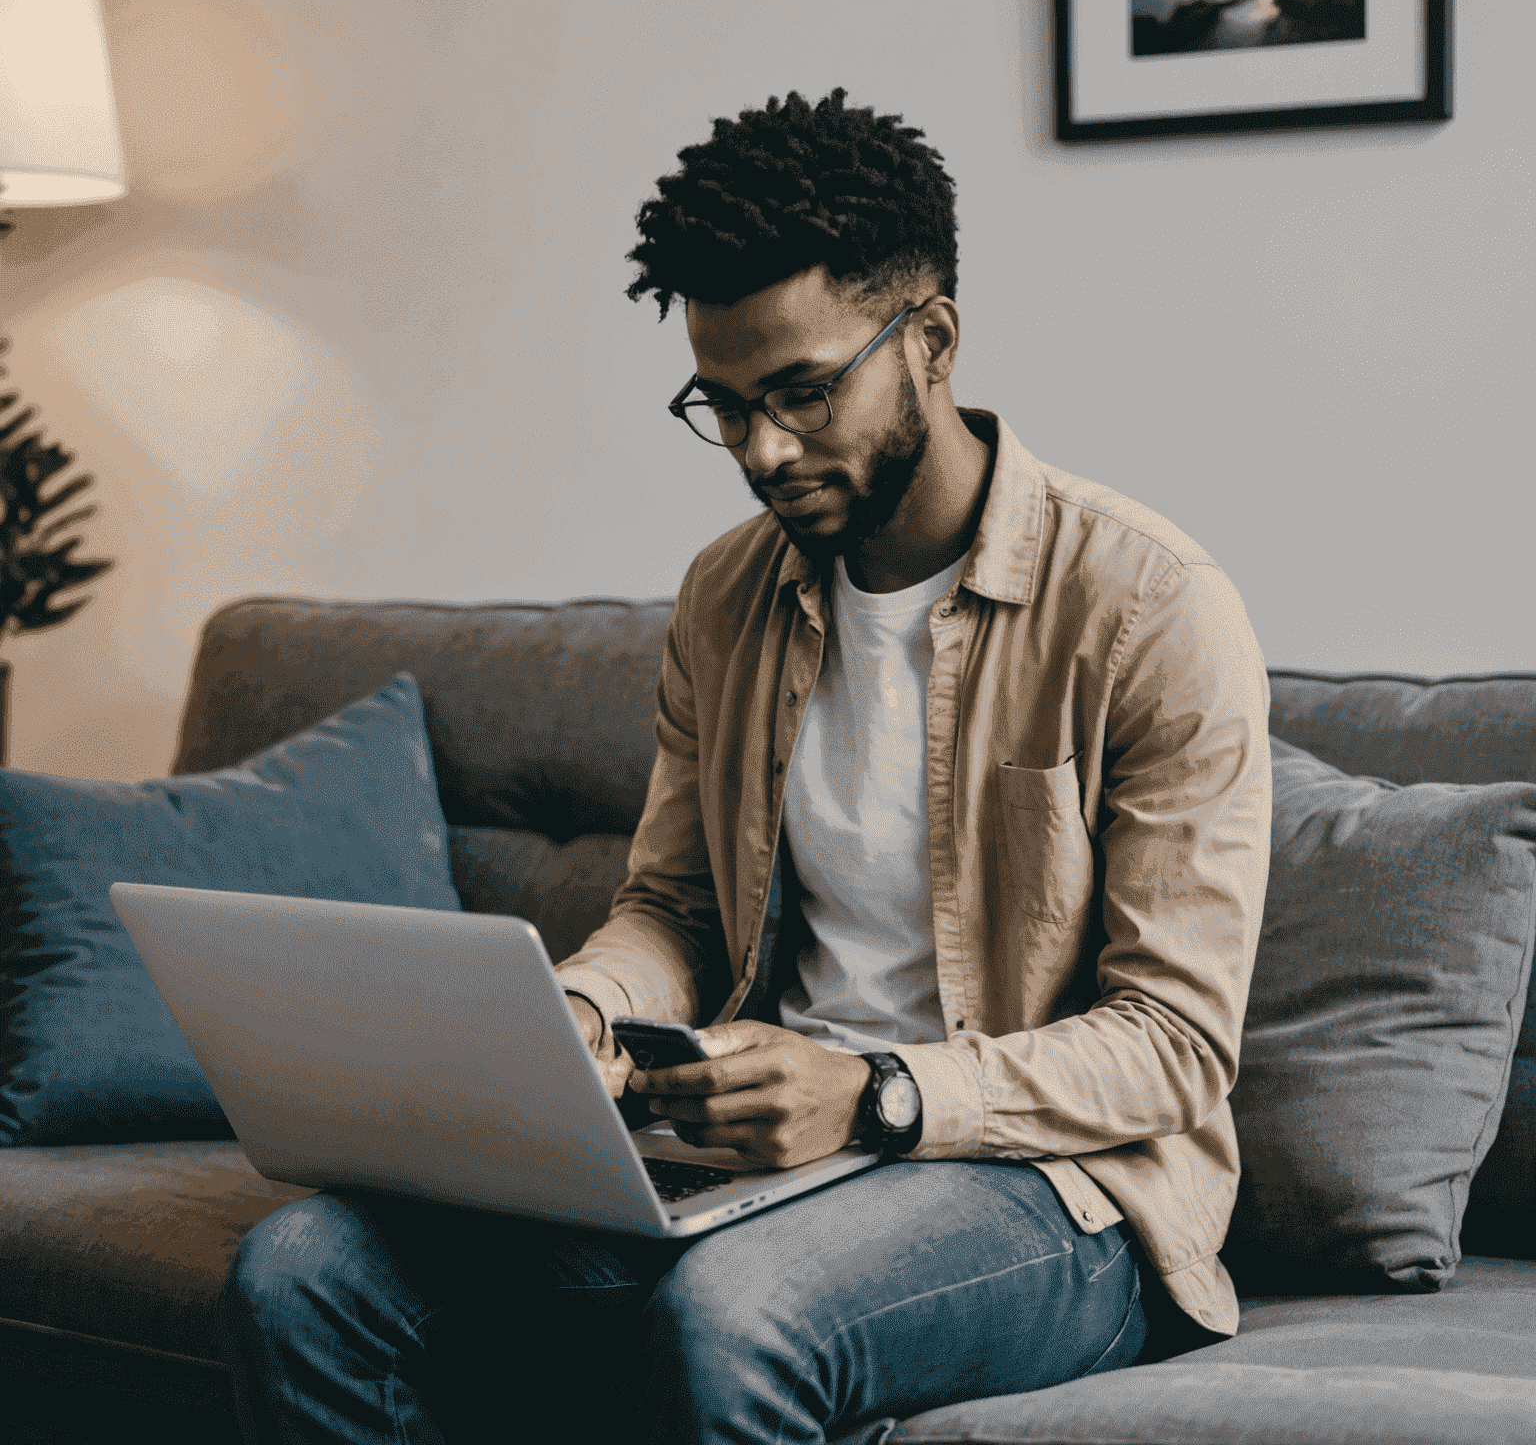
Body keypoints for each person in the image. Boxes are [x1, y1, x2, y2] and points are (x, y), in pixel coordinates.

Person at [220, 88, 1272, 1445]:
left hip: (1062, 1192)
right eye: (721, 406)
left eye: (803, 393)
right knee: (306, 1275)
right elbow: (675, 909)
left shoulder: (1148, 607)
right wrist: (583, 1016)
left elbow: (1175, 1046)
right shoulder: (728, 597)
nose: (763, 451)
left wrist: (880, 1095)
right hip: (757, 1156)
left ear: (933, 340)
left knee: (732, 1314)